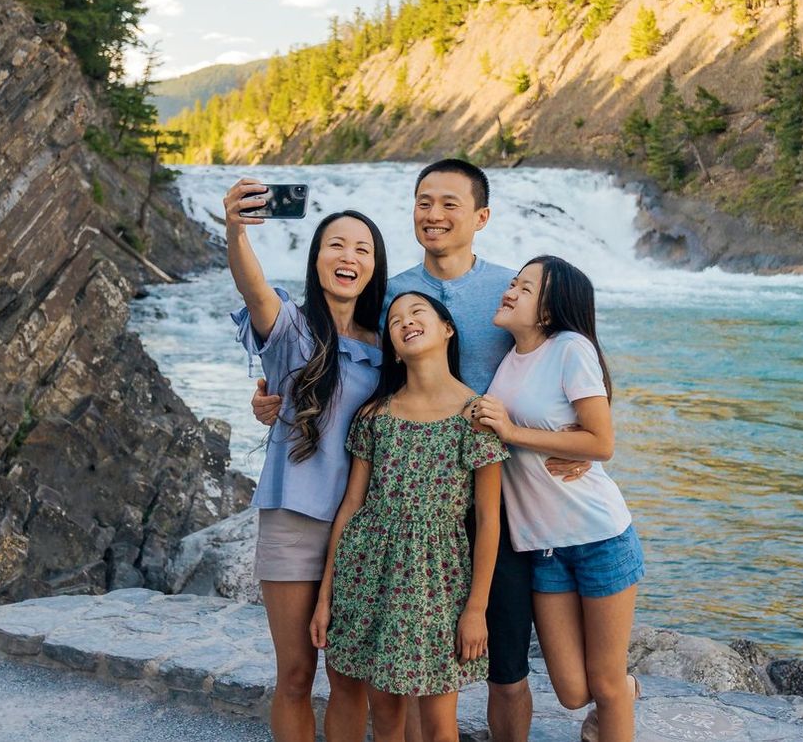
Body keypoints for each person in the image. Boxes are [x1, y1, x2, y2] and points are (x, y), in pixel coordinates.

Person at [251, 159, 586, 742]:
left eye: (449, 204)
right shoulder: (389, 294)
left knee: (504, 666)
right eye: (423, 202)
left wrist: (580, 439)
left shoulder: (511, 289)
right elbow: (335, 354)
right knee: (390, 678)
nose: (434, 215)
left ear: (481, 216)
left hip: (499, 497)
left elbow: (571, 357)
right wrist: (273, 395)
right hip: (398, 505)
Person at [223, 180, 385, 742]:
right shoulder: (291, 328)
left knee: (350, 678)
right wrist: (236, 230)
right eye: (336, 245)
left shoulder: (390, 344)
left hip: (363, 527)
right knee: (295, 674)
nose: (349, 257)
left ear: (374, 267)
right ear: (317, 260)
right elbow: (254, 289)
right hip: (293, 517)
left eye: (362, 249)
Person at [311, 291, 507, 742]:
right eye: (395, 320)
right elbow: (350, 509)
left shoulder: (475, 415)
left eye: (417, 312)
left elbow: (488, 521)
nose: (405, 321)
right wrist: (326, 597)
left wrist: (476, 609)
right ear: (394, 349)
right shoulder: (375, 415)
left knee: (440, 722)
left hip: (437, 583)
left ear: (447, 330)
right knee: (385, 717)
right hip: (367, 576)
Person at [473, 256, 642, 742]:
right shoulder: (508, 358)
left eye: (525, 288)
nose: (510, 291)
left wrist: (514, 431)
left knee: (604, 685)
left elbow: (600, 443)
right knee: (571, 691)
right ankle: (628, 690)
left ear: (548, 311)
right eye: (513, 282)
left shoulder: (570, 348)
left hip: (600, 538)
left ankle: (619, 696)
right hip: (542, 546)